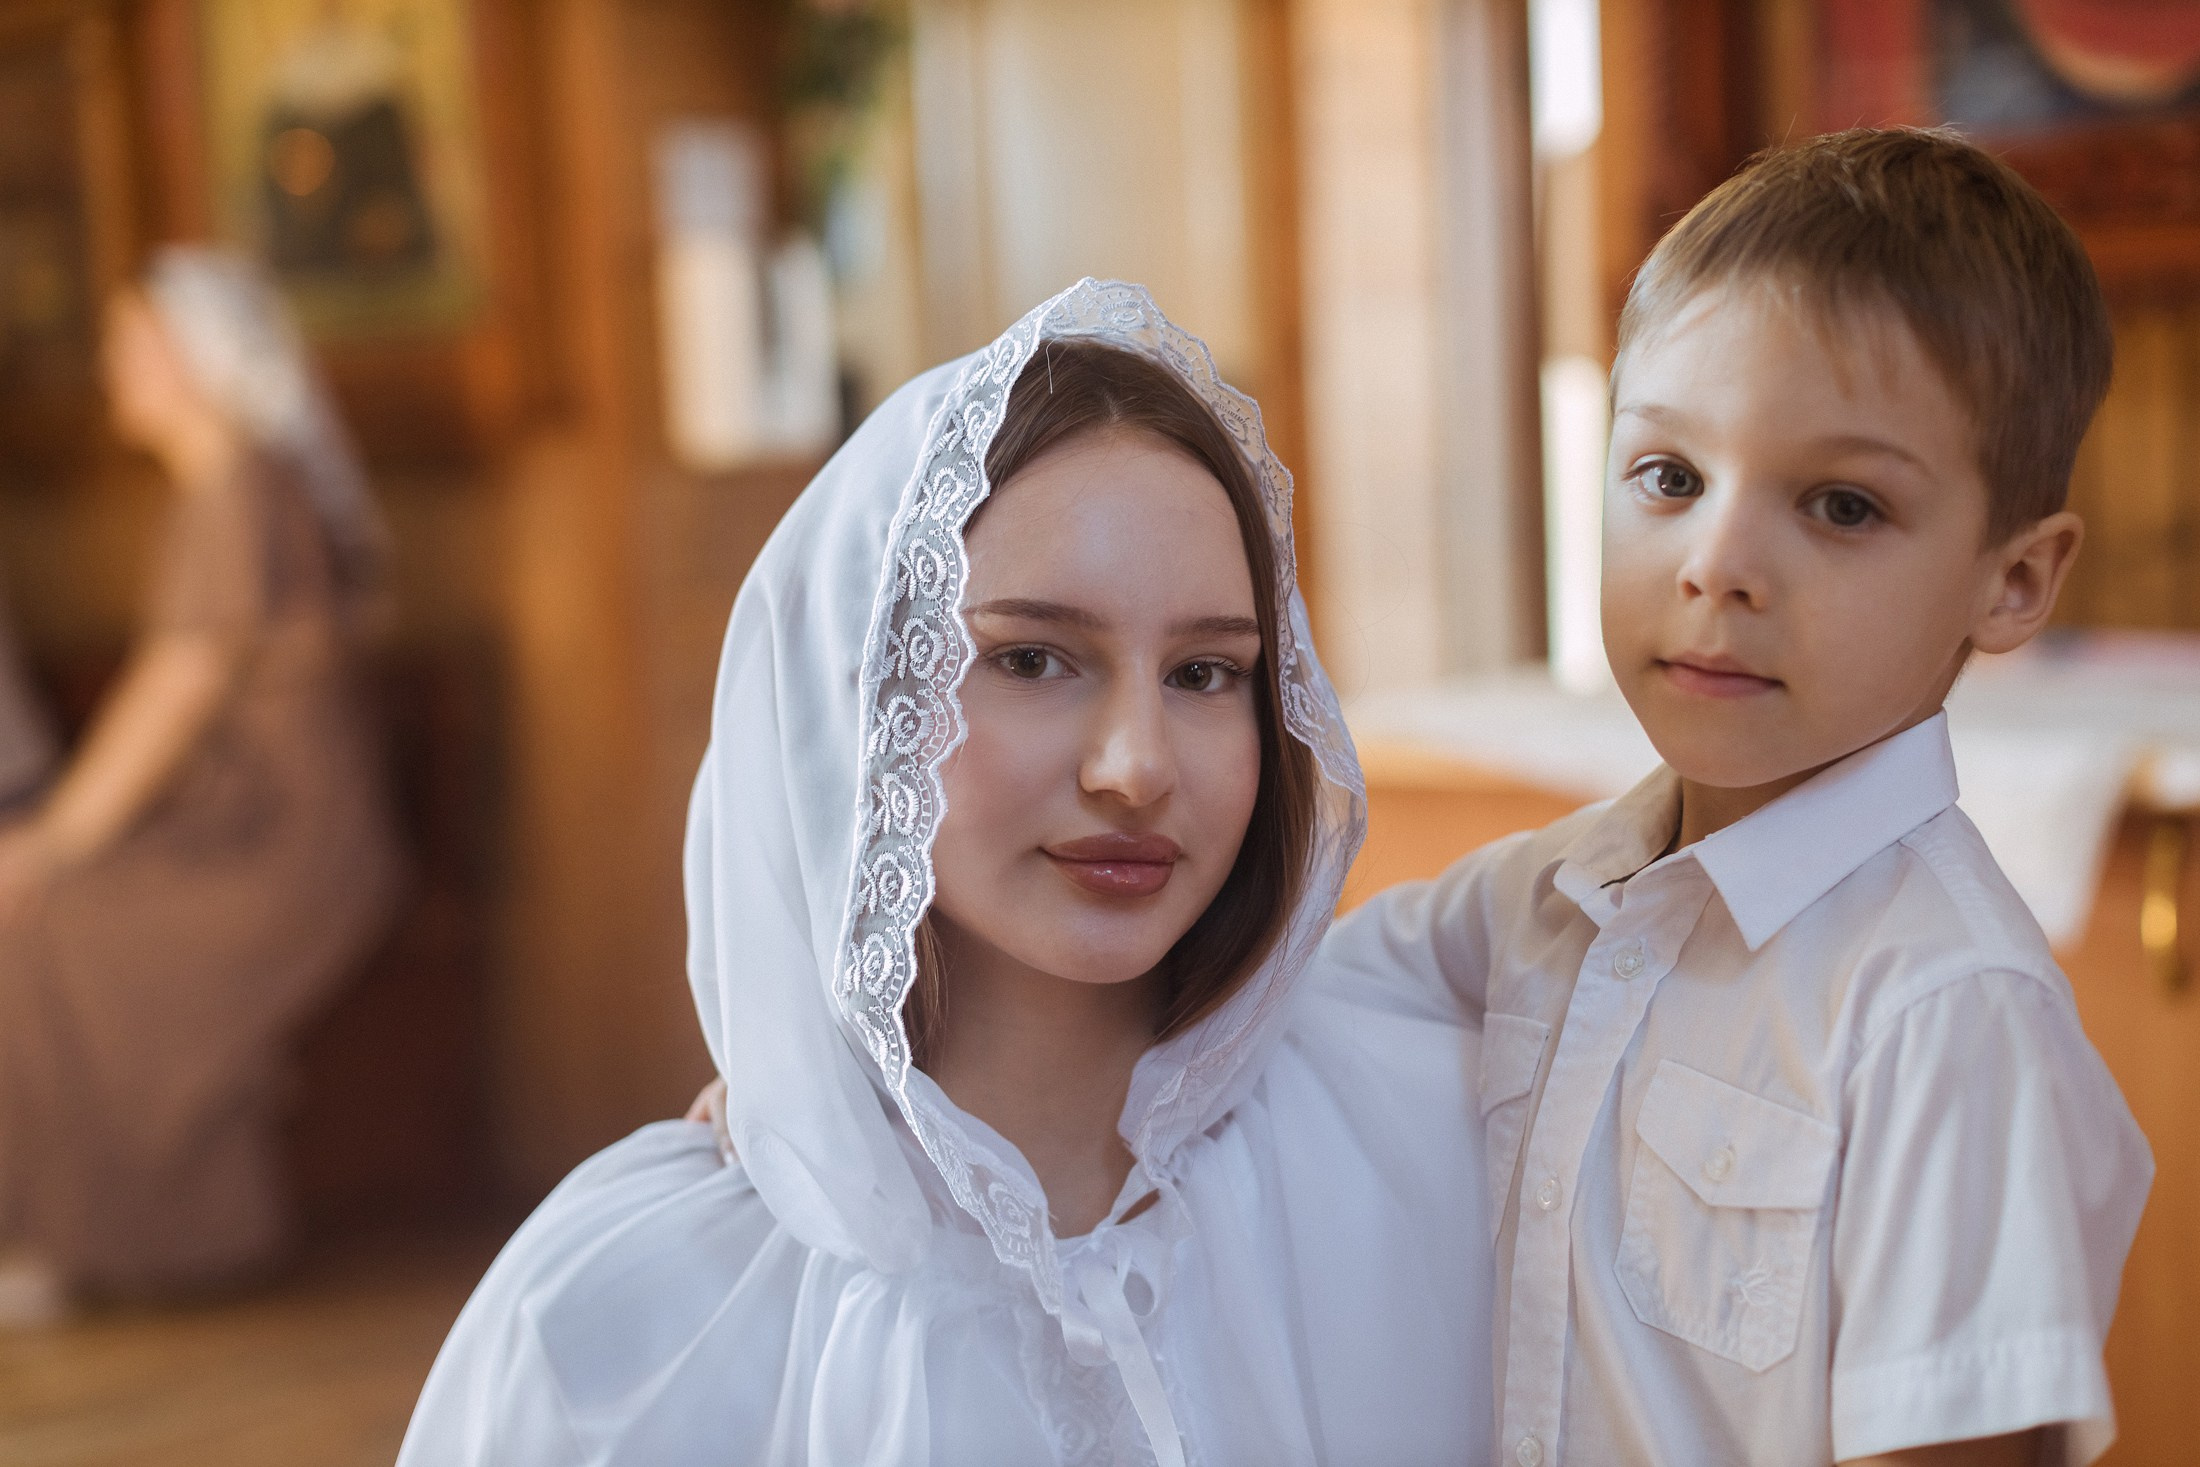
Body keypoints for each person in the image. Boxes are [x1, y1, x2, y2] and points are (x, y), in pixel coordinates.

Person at [398, 281, 1491, 1466]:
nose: (1135, 767)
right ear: (854, 699)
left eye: (1205, 674)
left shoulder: (1422, 1160)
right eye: (1031, 659)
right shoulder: (624, 1319)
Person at [1316, 128, 2153, 1466]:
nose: (1717, 563)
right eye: (1669, 475)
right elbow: (1259, 1025)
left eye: (1839, 504)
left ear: (2013, 579)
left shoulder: (1941, 1008)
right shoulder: (1541, 905)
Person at [0, 247, 405, 1323]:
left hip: (291, 852)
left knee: (47, 920)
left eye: (131, 343)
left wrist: (50, 844)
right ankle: (110, 1228)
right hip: (239, 829)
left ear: (196, 359)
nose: (108, 364)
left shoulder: (240, 486)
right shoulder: (226, 484)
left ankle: (110, 1236)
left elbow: (176, 693)